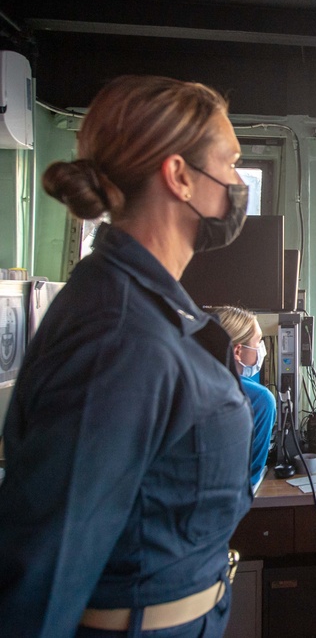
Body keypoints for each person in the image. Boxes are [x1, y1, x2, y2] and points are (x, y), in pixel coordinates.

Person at [0, 75, 252, 637]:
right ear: (180, 175)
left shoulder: (141, 306)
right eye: (230, 162)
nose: (238, 182)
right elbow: (44, 569)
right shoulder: (118, 336)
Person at [208, 306, 277, 491]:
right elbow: (251, 474)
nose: (261, 350)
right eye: (257, 343)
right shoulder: (260, 400)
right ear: (238, 351)